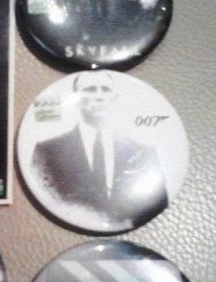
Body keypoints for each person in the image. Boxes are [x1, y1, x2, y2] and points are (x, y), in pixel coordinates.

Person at [31, 71, 167, 229]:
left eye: (106, 90)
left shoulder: (142, 153)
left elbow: (155, 207)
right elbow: (46, 199)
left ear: (115, 99)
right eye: (90, 90)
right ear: (76, 99)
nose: (99, 97)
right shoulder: (48, 151)